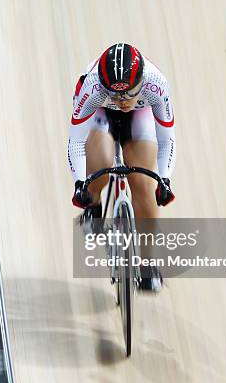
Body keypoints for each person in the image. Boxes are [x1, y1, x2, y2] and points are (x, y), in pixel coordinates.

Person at [68, 43, 176, 291]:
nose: (122, 101)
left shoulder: (156, 84)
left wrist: (164, 179)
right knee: (102, 164)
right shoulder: (92, 87)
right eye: (116, 95)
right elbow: (75, 140)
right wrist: (80, 185)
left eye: (128, 93)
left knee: (143, 183)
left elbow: (166, 139)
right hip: (100, 112)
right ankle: (94, 204)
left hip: (141, 114)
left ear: (142, 82)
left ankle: (148, 265)